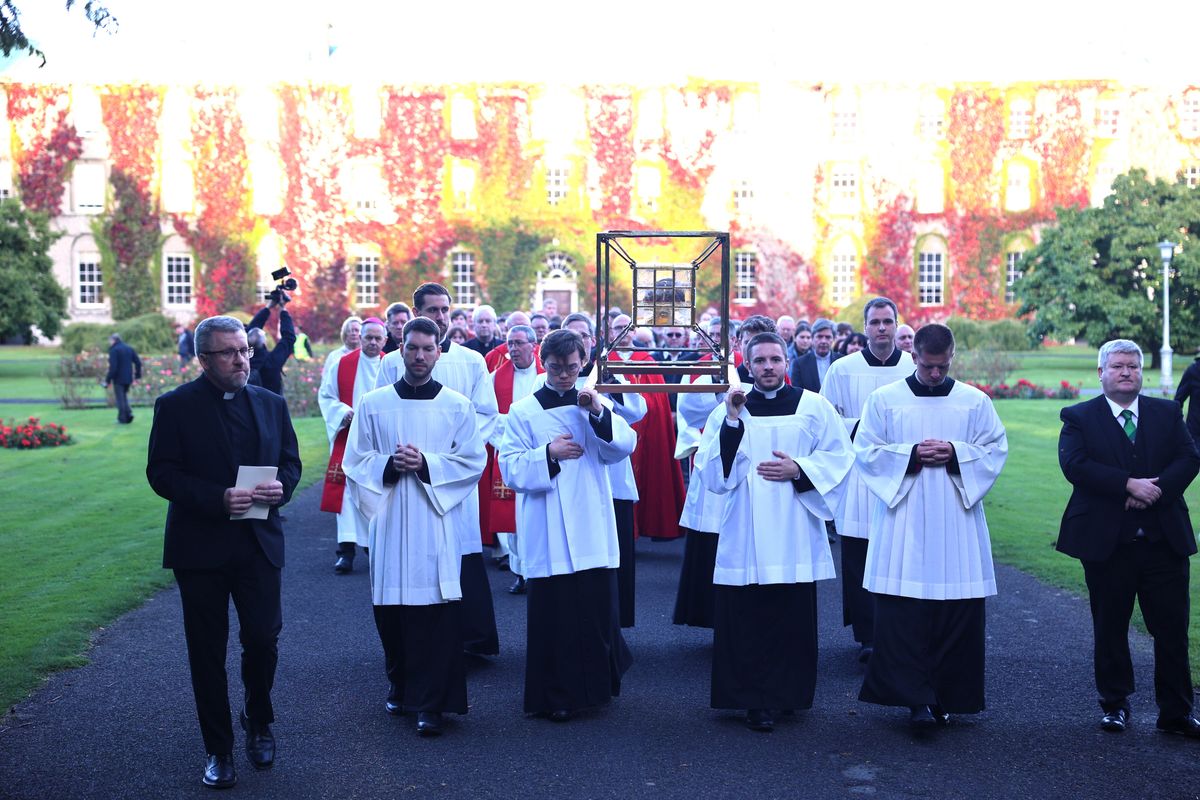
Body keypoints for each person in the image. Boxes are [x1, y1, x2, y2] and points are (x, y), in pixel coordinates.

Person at [146, 315, 302, 789]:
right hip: (201, 548)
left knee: (262, 640)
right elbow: (162, 474)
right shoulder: (174, 406)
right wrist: (216, 498)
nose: (242, 359)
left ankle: (258, 718)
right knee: (206, 652)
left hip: (258, 543)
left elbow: (291, 464)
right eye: (230, 352)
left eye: (245, 350)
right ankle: (218, 748)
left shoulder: (271, 403)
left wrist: (282, 489)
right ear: (204, 358)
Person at [694, 332, 853, 732]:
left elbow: (839, 457)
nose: (768, 367)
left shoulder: (813, 406)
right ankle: (752, 700)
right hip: (745, 525)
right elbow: (712, 472)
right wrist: (732, 420)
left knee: (789, 615)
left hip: (793, 525)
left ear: (786, 362)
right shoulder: (731, 408)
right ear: (746, 364)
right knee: (746, 616)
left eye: (775, 360)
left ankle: (788, 695)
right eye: (760, 360)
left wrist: (799, 470)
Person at [855, 323, 1007, 729]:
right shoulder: (885, 400)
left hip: (957, 517)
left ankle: (947, 696)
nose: (935, 374)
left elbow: (995, 449)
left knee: (957, 611)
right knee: (905, 614)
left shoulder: (975, 402)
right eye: (927, 366)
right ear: (914, 357)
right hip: (903, 518)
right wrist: (911, 455)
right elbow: (865, 451)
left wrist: (957, 453)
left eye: (942, 367)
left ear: (952, 357)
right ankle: (915, 700)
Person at [342, 317, 487, 736]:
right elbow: (355, 461)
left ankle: (431, 703)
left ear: (439, 352)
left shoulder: (457, 405)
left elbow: (472, 461)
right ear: (399, 350)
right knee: (392, 612)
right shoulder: (373, 403)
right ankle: (401, 684)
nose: (420, 356)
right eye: (412, 348)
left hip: (434, 520)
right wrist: (389, 464)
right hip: (388, 519)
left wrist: (427, 464)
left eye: (428, 349)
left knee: (435, 614)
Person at [1058, 339, 1200, 738]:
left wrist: (1156, 490)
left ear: (1142, 373)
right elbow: (1075, 465)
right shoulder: (1079, 416)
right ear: (1100, 372)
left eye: (1133, 366)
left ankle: (1176, 712)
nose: (1126, 372)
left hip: (1163, 541)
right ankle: (1115, 705)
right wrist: (1127, 485)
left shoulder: (1167, 413)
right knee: (1110, 626)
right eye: (1117, 366)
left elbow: (1189, 458)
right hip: (1107, 544)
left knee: (1171, 629)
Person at [499, 328, 636, 721]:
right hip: (548, 524)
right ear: (544, 363)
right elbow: (509, 468)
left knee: (595, 611)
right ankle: (556, 696)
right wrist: (549, 453)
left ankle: (596, 689)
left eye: (573, 368)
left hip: (591, 517)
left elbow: (624, 447)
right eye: (557, 368)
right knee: (555, 616)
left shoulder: (591, 402)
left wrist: (596, 413)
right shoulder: (524, 411)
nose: (564, 376)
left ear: (583, 364)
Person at [377, 283, 500, 656]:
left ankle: (472, 640)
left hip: (452, 478)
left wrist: (449, 457)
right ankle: (415, 642)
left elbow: (487, 414)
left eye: (446, 310)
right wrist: (408, 456)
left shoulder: (471, 361)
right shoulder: (390, 363)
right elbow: (380, 416)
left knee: (460, 552)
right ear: (416, 314)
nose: (442, 318)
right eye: (433, 311)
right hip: (408, 478)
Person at [819, 297, 912, 662]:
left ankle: (898, 628)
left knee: (898, 552)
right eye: (875, 322)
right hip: (859, 474)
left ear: (896, 323)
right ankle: (867, 635)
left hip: (903, 471)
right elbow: (826, 422)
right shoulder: (842, 370)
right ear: (865, 327)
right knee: (858, 555)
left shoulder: (912, 367)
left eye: (888, 321)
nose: (882, 328)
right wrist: (863, 428)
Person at [672, 316, 775, 628]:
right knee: (715, 543)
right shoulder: (717, 369)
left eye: (760, 340)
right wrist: (718, 394)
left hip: (759, 471)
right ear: (738, 341)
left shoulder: (773, 375)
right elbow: (689, 409)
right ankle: (714, 615)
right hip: (720, 462)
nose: (750, 346)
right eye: (747, 339)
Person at [562, 312, 647, 627]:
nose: (576, 342)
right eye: (570, 335)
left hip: (612, 481)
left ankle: (614, 623)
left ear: (591, 341)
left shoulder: (608, 371)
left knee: (616, 556)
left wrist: (614, 386)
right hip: (570, 480)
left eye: (583, 336)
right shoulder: (546, 378)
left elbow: (638, 410)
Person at [610, 312, 686, 542]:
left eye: (627, 328)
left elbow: (657, 399)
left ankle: (648, 525)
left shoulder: (646, 360)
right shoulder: (604, 359)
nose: (623, 332)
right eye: (618, 328)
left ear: (634, 332)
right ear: (612, 332)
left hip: (645, 426)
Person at [318, 318, 386, 574]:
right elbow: (326, 395)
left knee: (375, 493)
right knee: (346, 494)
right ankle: (345, 552)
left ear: (385, 340)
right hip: (349, 437)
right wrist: (342, 412)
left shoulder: (391, 364)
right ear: (360, 337)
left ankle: (373, 548)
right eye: (367, 337)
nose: (372, 342)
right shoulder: (342, 364)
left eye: (377, 338)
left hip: (379, 442)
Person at [482, 324, 544, 595]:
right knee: (514, 520)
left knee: (538, 515)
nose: (513, 349)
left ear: (533, 345)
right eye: (510, 343)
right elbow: (488, 417)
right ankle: (520, 572)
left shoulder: (545, 376)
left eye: (519, 343)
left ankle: (539, 571)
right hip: (509, 454)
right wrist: (516, 432)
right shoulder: (495, 378)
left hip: (541, 453)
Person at [245, 294, 296, 397]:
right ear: (264, 343)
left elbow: (251, 331)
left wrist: (269, 307)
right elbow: (288, 338)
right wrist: (283, 309)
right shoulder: (271, 361)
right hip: (271, 406)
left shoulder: (243, 359)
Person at [789, 318, 838, 392]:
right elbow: (797, 392)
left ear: (834, 339)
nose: (823, 341)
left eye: (828, 337)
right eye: (819, 337)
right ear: (812, 338)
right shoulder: (799, 364)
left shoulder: (841, 361)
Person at [104, 333, 142, 424]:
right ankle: (128, 415)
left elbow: (113, 368)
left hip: (118, 378)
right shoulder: (129, 348)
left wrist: (108, 380)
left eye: (110, 340)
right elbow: (138, 363)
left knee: (120, 399)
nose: (109, 343)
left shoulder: (114, 350)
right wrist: (137, 375)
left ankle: (122, 419)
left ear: (114, 340)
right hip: (128, 378)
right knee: (123, 397)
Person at [322, 317, 362, 382]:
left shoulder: (366, 356)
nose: (353, 333)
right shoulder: (334, 356)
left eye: (356, 330)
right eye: (350, 331)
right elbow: (325, 380)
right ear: (345, 334)